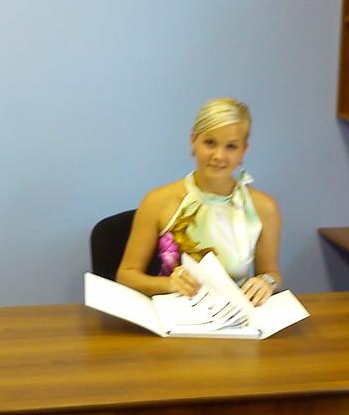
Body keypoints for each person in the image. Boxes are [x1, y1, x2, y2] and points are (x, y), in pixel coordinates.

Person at [115, 97, 282, 306]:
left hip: (234, 317)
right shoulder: (157, 201)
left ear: (243, 151)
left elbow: (271, 272)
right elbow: (126, 275)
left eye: (231, 146)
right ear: (193, 141)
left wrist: (267, 282)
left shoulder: (264, 208)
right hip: (173, 316)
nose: (218, 156)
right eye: (210, 143)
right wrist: (168, 284)